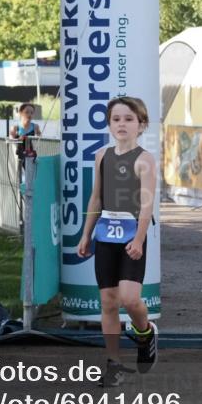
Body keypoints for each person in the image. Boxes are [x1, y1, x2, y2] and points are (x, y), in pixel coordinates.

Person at [77, 97, 158, 387]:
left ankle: (146, 332)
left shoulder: (144, 160)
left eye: (128, 119)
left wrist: (139, 238)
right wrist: (86, 233)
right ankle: (114, 364)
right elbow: (96, 197)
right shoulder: (101, 156)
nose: (122, 124)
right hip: (104, 233)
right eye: (116, 119)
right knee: (108, 302)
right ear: (109, 124)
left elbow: (147, 205)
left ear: (141, 124)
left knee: (130, 298)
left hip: (131, 234)